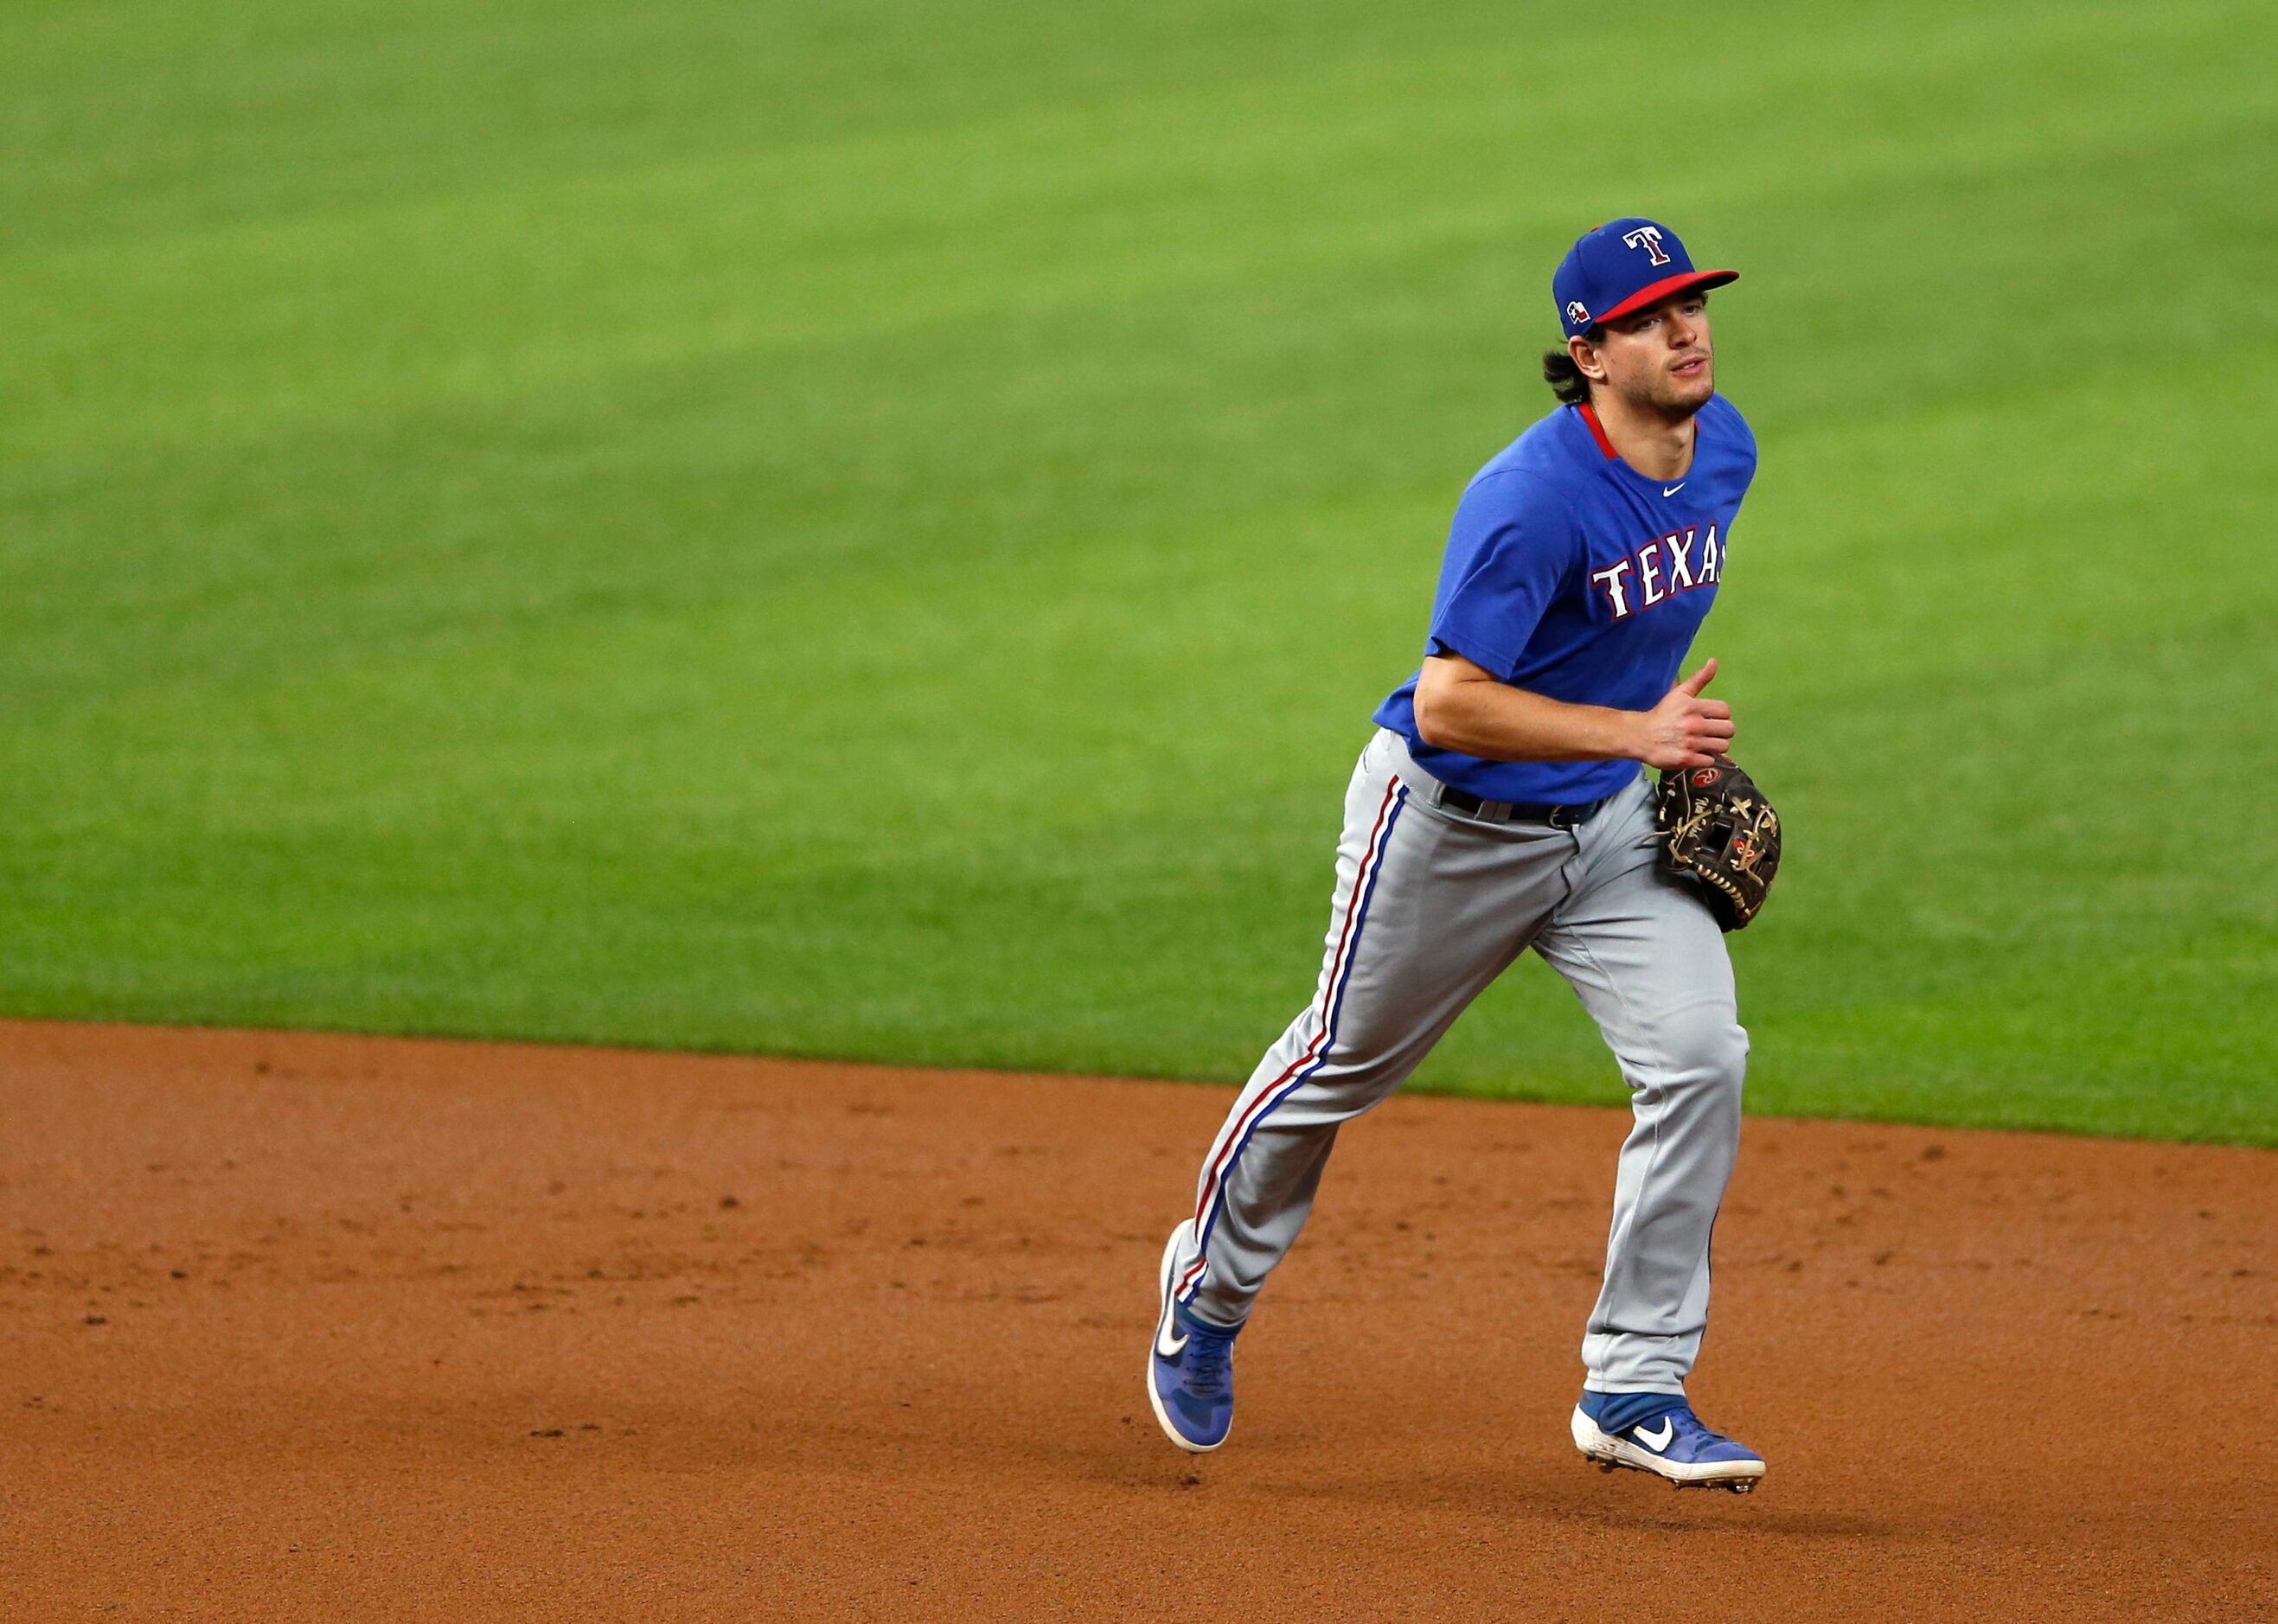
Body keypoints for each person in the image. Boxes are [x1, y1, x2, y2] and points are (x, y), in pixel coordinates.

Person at [1147, 218, 1769, 1492]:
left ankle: (1634, 1381)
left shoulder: (1728, 448)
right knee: (1335, 1069)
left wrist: (1663, 748)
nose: (1686, 328)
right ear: (1589, 351)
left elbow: (1631, 628)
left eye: (1693, 303)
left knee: (1700, 1055)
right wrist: (1634, 730)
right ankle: (1205, 1295)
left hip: (1601, 828)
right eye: (1652, 316)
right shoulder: (1528, 498)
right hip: (1450, 828)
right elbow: (1445, 701)